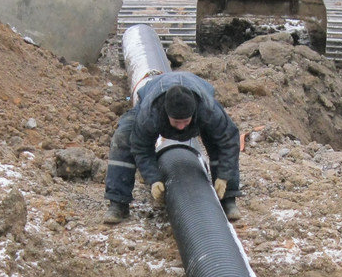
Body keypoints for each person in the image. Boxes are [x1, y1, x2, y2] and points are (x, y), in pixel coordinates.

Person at [103, 71, 241, 224]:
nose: (181, 128)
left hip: (198, 93)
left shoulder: (208, 110)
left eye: (185, 121)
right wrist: (153, 179)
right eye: (176, 122)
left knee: (218, 142)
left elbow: (229, 141)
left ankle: (228, 198)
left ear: (194, 113)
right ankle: (118, 203)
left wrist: (224, 176)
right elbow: (141, 147)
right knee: (123, 138)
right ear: (167, 114)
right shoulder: (150, 113)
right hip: (152, 94)